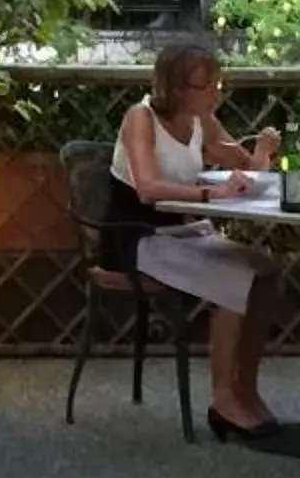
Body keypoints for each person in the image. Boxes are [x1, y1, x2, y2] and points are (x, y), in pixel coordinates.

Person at [111, 38, 283, 441]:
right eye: (204, 86)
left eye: (216, 84)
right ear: (174, 87)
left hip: (186, 232)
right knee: (234, 280)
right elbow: (148, 188)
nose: (214, 93)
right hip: (140, 238)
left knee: (268, 272)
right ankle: (222, 400)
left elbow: (247, 167)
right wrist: (210, 195)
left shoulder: (200, 119)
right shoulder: (140, 117)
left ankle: (245, 388)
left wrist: (261, 151)